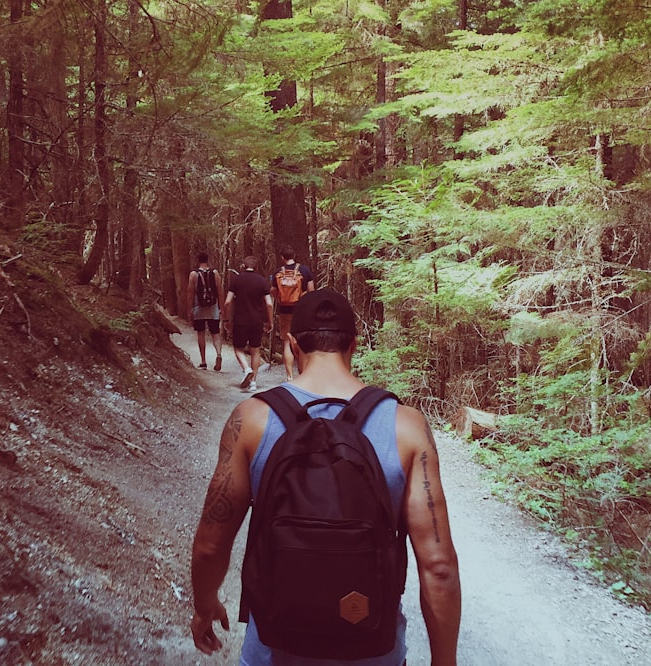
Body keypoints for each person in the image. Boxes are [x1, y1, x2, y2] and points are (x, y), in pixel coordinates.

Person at [190, 288, 461, 665]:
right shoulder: (406, 425)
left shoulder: (251, 419)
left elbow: (210, 542)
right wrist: (444, 660)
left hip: (274, 650)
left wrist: (205, 604)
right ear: (354, 344)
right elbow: (439, 566)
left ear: (291, 345)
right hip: (373, 650)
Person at [223, 255, 274, 393]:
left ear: (243, 266)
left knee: (238, 348)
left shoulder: (236, 280)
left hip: (240, 320)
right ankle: (253, 383)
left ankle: (246, 369)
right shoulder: (262, 281)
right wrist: (270, 321)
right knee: (255, 349)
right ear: (256, 267)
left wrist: (226, 319)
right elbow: (269, 303)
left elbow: (227, 301)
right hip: (257, 320)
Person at [270, 245, 315, 381]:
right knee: (301, 342)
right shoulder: (304, 270)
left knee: (286, 343)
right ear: (294, 256)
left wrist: (280, 297)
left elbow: (272, 290)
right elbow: (312, 290)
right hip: (301, 310)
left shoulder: (279, 272)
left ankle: (289, 376)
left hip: (285, 310)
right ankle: (302, 375)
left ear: (282, 258)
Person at [188, 252, 223, 371]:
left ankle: (203, 361)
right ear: (207, 260)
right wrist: (221, 307)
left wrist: (190, 309)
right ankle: (218, 354)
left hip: (199, 307)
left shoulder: (193, 274)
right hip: (213, 308)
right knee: (215, 333)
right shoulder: (215, 273)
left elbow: (190, 293)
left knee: (201, 333)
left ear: (197, 260)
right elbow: (220, 291)